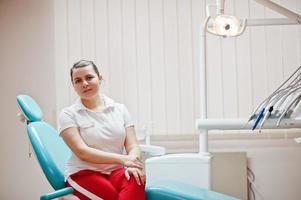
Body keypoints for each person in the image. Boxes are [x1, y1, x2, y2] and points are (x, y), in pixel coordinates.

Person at [58, 60, 146, 200]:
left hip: (116, 171)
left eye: (89, 77)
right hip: (84, 173)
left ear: (100, 78)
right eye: (78, 80)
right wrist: (124, 160)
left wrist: (133, 164)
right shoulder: (68, 114)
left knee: (136, 177)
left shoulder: (120, 109)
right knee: (112, 196)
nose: (84, 84)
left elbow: (133, 145)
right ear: (73, 86)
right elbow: (82, 152)